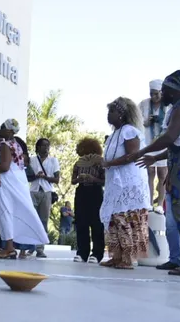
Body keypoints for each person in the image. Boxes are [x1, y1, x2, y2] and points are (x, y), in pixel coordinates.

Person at [132, 70, 180, 277]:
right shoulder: (177, 108)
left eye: (165, 90)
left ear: (174, 91)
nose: (162, 93)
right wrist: (154, 158)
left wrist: (143, 151)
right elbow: (178, 143)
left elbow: (170, 137)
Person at [0, 119, 49, 259]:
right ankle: (9, 246)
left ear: (9, 131)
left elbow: (4, 167)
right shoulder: (16, 145)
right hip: (12, 184)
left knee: (4, 213)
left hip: (5, 185)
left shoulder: (6, 145)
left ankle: (9, 248)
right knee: (8, 213)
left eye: (2, 127)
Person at [100, 97, 150, 269]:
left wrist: (108, 164)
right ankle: (117, 256)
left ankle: (128, 259)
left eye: (111, 111)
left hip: (129, 183)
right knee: (115, 218)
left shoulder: (129, 131)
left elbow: (132, 155)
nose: (108, 115)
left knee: (125, 218)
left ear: (121, 114)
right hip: (116, 182)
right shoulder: (115, 134)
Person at [72, 137, 105, 264]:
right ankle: (82, 252)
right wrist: (79, 179)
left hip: (95, 191)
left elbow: (104, 180)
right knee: (81, 223)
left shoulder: (99, 162)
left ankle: (97, 253)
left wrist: (93, 179)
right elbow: (72, 180)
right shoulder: (78, 163)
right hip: (81, 191)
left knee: (97, 223)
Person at [28, 138, 60, 258]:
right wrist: (36, 176)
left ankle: (40, 248)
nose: (46, 147)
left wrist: (45, 177)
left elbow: (57, 179)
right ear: (38, 147)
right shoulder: (32, 160)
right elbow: (28, 177)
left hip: (46, 191)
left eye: (48, 145)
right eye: (43, 145)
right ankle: (30, 246)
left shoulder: (53, 161)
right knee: (32, 218)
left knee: (43, 220)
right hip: (33, 190)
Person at [139, 80, 168, 211]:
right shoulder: (144, 104)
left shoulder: (168, 105)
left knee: (162, 173)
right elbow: (137, 121)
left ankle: (160, 204)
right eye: (151, 94)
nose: (153, 97)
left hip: (163, 142)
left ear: (161, 93)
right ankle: (149, 203)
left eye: (156, 94)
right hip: (148, 142)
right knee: (149, 172)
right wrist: (147, 121)